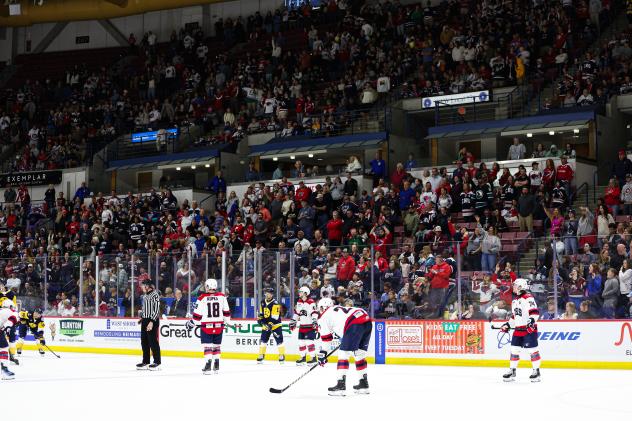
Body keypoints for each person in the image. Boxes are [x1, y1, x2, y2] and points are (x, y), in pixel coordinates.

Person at [316, 297, 372, 396]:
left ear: (322, 307)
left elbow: (326, 339)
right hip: (365, 318)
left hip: (353, 324)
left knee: (343, 354)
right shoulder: (336, 309)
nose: (319, 310)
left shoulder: (324, 317)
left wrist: (323, 354)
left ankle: (340, 385)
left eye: (319, 308)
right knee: (359, 354)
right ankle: (364, 384)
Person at [499, 278, 541, 382]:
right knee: (514, 350)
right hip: (518, 329)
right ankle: (512, 371)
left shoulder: (528, 298)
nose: (513, 287)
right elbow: (515, 316)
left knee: (532, 350)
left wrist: (531, 321)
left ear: (521, 287)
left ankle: (536, 371)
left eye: (515, 285)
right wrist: (508, 324)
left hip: (528, 329)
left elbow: (535, 312)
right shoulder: (515, 300)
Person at [186, 279, 231, 374]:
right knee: (216, 346)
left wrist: (191, 323)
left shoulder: (202, 298)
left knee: (207, 346)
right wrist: (228, 321)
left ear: (207, 286)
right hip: (219, 325)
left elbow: (197, 316)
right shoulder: (222, 297)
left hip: (207, 326)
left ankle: (208, 364)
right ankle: (216, 364)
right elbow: (226, 312)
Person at [290, 286, 318, 366]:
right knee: (301, 343)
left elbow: (314, 313)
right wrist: (293, 320)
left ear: (305, 293)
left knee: (309, 342)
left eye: (301, 292)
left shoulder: (311, 302)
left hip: (309, 326)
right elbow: (296, 313)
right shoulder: (299, 302)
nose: (299, 293)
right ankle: (303, 357)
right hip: (302, 326)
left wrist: (314, 320)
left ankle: (313, 358)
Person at [137, 279, 161, 371]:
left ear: (147, 286)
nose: (142, 287)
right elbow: (146, 309)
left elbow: (156, 310)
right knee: (144, 341)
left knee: (152, 341)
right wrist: (142, 318)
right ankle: (146, 361)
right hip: (145, 320)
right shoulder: (145, 296)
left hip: (152, 320)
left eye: (143, 286)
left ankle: (157, 362)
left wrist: (151, 321)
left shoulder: (155, 295)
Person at [256, 288, 285, 364]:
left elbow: (275, 316)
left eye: (268, 293)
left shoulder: (275, 303)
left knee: (279, 340)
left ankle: (281, 355)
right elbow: (261, 313)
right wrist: (260, 319)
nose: (267, 294)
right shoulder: (262, 302)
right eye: (266, 293)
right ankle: (261, 355)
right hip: (266, 325)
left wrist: (270, 324)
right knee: (263, 340)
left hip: (276, 325)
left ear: (272, 294)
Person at [0, 300, 18, 380]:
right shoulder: (11, 311)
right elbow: (13, 318)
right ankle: (4, 371)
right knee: (4, 348)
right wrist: (6, 327)